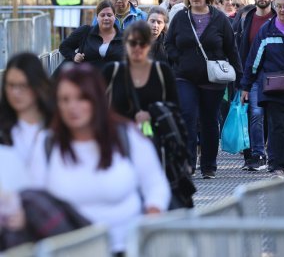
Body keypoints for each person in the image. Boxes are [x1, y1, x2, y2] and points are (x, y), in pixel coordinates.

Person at [28, 63, 171, 255]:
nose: (73, 107)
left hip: (125, 247)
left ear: (96, 99)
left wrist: (152, 215)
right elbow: (35, 197)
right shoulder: (46, 144)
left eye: (82, 98)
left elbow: (156, 185)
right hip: (67, 250)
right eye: (65, 99)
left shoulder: (127, 136)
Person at [165, 0, 243, 178]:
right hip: (185, 77)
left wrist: (241, 80)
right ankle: (189, 163)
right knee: (188, 116)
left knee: (209, 120)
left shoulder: (220, 19)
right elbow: (169, 43)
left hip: (213, 79)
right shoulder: (181, 18)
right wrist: (179, 60)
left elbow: (231, 49)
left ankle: (209, 165)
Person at [241, 0, 284, 177]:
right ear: (275, 7)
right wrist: (246, 86)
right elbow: (254, 60)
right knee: (279, 128)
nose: (283, 10)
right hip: (276, 89)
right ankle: (278, 167)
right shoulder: (266, 30)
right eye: (280, 6)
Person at [0, 53, 52, 248]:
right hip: (10, 227)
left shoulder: (58, 125)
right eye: (11, 86)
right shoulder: (3, 130)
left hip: (51, 221)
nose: (16, 93)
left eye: (23, 86)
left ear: (37, 85)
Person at [234, 0, 275, 171]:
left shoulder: (278, 18)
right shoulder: (247, 18)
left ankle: (275, 155)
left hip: (276, 74)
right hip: (253, 74)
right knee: (255, 113)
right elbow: (243, 49)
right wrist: (243, 82)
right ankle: (257, 154)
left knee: (274, 116)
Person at [103, 20, 178, 122]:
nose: (137, 48)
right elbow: (97, 105)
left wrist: (152, 113)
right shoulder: (112, 71)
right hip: (118, 134)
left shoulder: (162, 71)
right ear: (125, 44)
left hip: (154, 135)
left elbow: (175, 106)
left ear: (149, 45)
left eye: (142, 44)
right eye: (133, 43)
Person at [59, 0, 124, 70]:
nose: (106, 18)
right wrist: (74, 56)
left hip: (115, 79)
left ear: (115, 16)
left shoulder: (125, 35)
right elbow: (64, 46)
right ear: (97, 17)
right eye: (102, 15)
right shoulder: (85, 31)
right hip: (86, 78)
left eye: (109, 15)